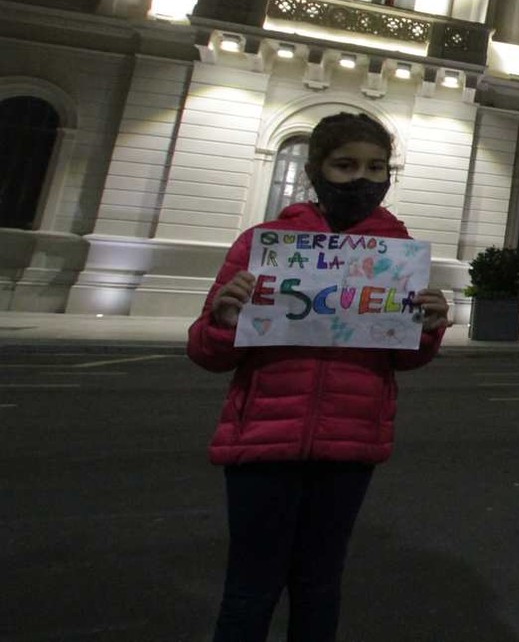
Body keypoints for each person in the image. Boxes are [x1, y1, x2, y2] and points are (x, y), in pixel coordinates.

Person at [187, 111, 449, 642]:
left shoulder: (397, 254)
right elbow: (205, 351)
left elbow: (406, 358)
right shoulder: (264, 244)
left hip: (348, 446)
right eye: (346, 165)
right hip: (262, 441)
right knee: (249, 589)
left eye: (376, 167)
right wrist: (222, 319)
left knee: (319, 586)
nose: (362, 179)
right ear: (316, 169)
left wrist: (428, 326)